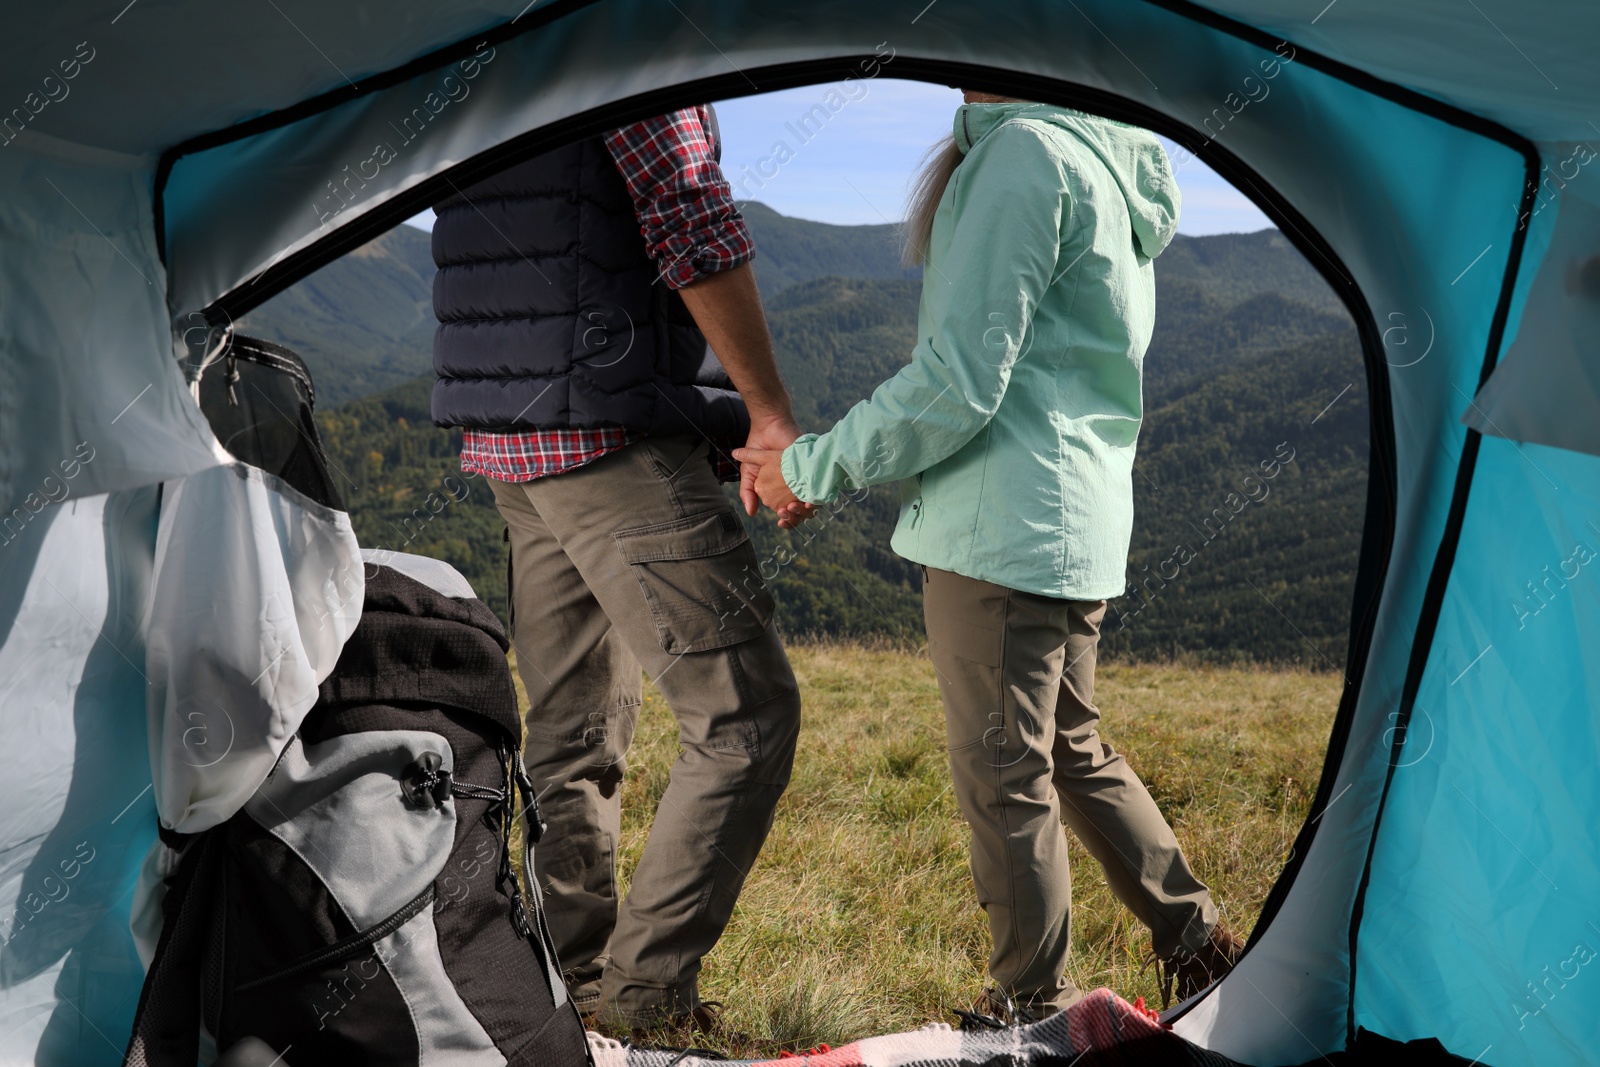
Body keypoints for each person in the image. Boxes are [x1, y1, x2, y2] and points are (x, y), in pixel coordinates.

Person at [737, 91, 1242, 1018]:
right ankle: (1200, 943)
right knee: (1071, 748)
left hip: (1003, 533)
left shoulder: (1024, 158)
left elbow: (956, 383)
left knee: (1006, 771)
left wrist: (808, 467)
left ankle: (1030, 1010)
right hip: (1076, 519)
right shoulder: (1103, 159)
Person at [430, 106, 803, 1032]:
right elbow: (689, 214)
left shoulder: (507, 44)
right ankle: (642, 1004)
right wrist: (766, 413)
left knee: (571, 735)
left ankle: (564, 987)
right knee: (746, 716)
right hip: (603, 438)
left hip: (512, 436)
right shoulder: (634, 38)